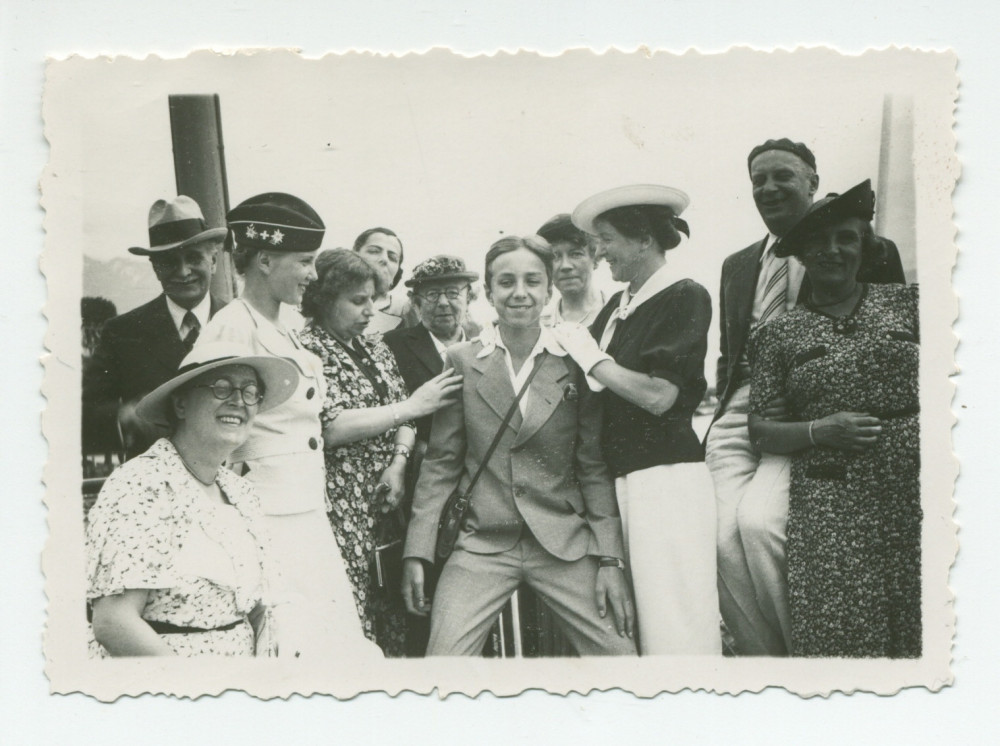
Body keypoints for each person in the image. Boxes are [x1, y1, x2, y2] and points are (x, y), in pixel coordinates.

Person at [708, 139, 907, 656]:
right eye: (759, 180)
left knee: (763, 526)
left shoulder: (866, 248)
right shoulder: (737, 264)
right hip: (741, 411)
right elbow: (730, 352)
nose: (769, 188)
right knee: (715, 534)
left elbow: (889, 342)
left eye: (784, 177)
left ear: (814, 182)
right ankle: (766, 658)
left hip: (808, 407)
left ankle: (811, 653)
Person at [402, 236, 636, 657]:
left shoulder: (573, 358)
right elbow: (441, 464)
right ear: (489, 292)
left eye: (533, 281)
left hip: (564, 544)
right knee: (443, 665)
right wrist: (416, 553)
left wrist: (609, 561)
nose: (520, 293)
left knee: (620, 657)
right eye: (506, 282)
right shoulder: (461, 359)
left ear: (549, 290)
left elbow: (592, 466)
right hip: (481, 545)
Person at [197, 193, 378, 659]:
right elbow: (207, 430)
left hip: (303, 513)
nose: (312, 276)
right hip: (267, 519)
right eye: (304, 262)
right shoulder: (233, 327)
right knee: (294, 648)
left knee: (326, 646)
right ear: (263, 260)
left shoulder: (281, 328)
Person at [552, 185, 721, 655]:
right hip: (621, 479)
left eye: (606, 240)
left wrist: (593, 359)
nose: (599, 252)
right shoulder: (617, 305)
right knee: (641, 629)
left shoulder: (684, 295)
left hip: (665, 482)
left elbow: (660, 396)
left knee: (677, 624)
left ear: (644, 238)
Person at [86, 341, 299, 657]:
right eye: (222, 388)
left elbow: (258, 608)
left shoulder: (243, 493)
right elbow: (113, 623)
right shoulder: (143, 483)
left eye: (250, 391)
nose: (239, 401)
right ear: (181, 404)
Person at [298, 250, 462, 656]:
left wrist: (398, 463)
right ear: (323, 300)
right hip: (340, 509)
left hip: (387, 505)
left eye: (373, 299)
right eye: (358, 301)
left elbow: (404, 411)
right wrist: (407, 409)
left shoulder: (374, 348)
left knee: (392, 619)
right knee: (352, 621)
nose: (370, 311)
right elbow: (328, 426)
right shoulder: (308, 352)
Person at [382, 254, 480, 654]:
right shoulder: (393, 346)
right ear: (417, 302)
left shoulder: (485, 343)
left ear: (469, 298)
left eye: (453, 293)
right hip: (425, 475)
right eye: (433, 294)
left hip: (478, 476)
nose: (444, 303)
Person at [83, 196, 227, 459]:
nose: (183, 272)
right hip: (155, 489)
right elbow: (83, 413)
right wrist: (123, 417)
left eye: (194, 258)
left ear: (214, 261)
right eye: (170, 261)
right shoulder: (122, 332)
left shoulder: (240, 321)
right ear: (155, 267)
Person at [536, 213, 607, 328]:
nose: (565, 266)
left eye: (576, 254)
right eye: (555, 256)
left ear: (594, 258)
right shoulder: (540, 328)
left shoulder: (617, 315)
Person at [352, 227, 409, 334]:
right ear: (354, 254)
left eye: (393, 257)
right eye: (374, 251)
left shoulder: (404, 311)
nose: (384, 259)